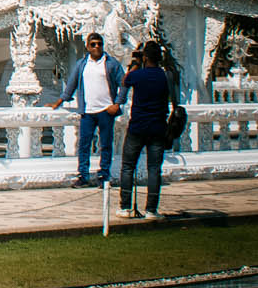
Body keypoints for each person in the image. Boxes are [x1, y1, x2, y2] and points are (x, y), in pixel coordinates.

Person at [112, 39, 178, 219]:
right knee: (154, 169)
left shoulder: (137, 75)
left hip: (137, 127)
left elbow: (125, 81)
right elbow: (174, 98)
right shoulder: (165, 75)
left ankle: (125, 207)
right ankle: (151, 210)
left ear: (145, 57)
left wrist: (135, 63)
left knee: (127, 167)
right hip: (158, 127)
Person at [53, 31, 124, 187]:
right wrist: (58, 102)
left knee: (105, 144)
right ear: (87, 46)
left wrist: (118, 103)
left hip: (106, 110)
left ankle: (104, 175)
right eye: (93, 44)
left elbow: (124, 83)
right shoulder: (82, 64)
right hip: (88, 112)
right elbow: (71, 84)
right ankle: (83, 176)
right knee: (84, 144)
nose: (96, 47)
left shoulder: (111, 63)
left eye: (99, 44)